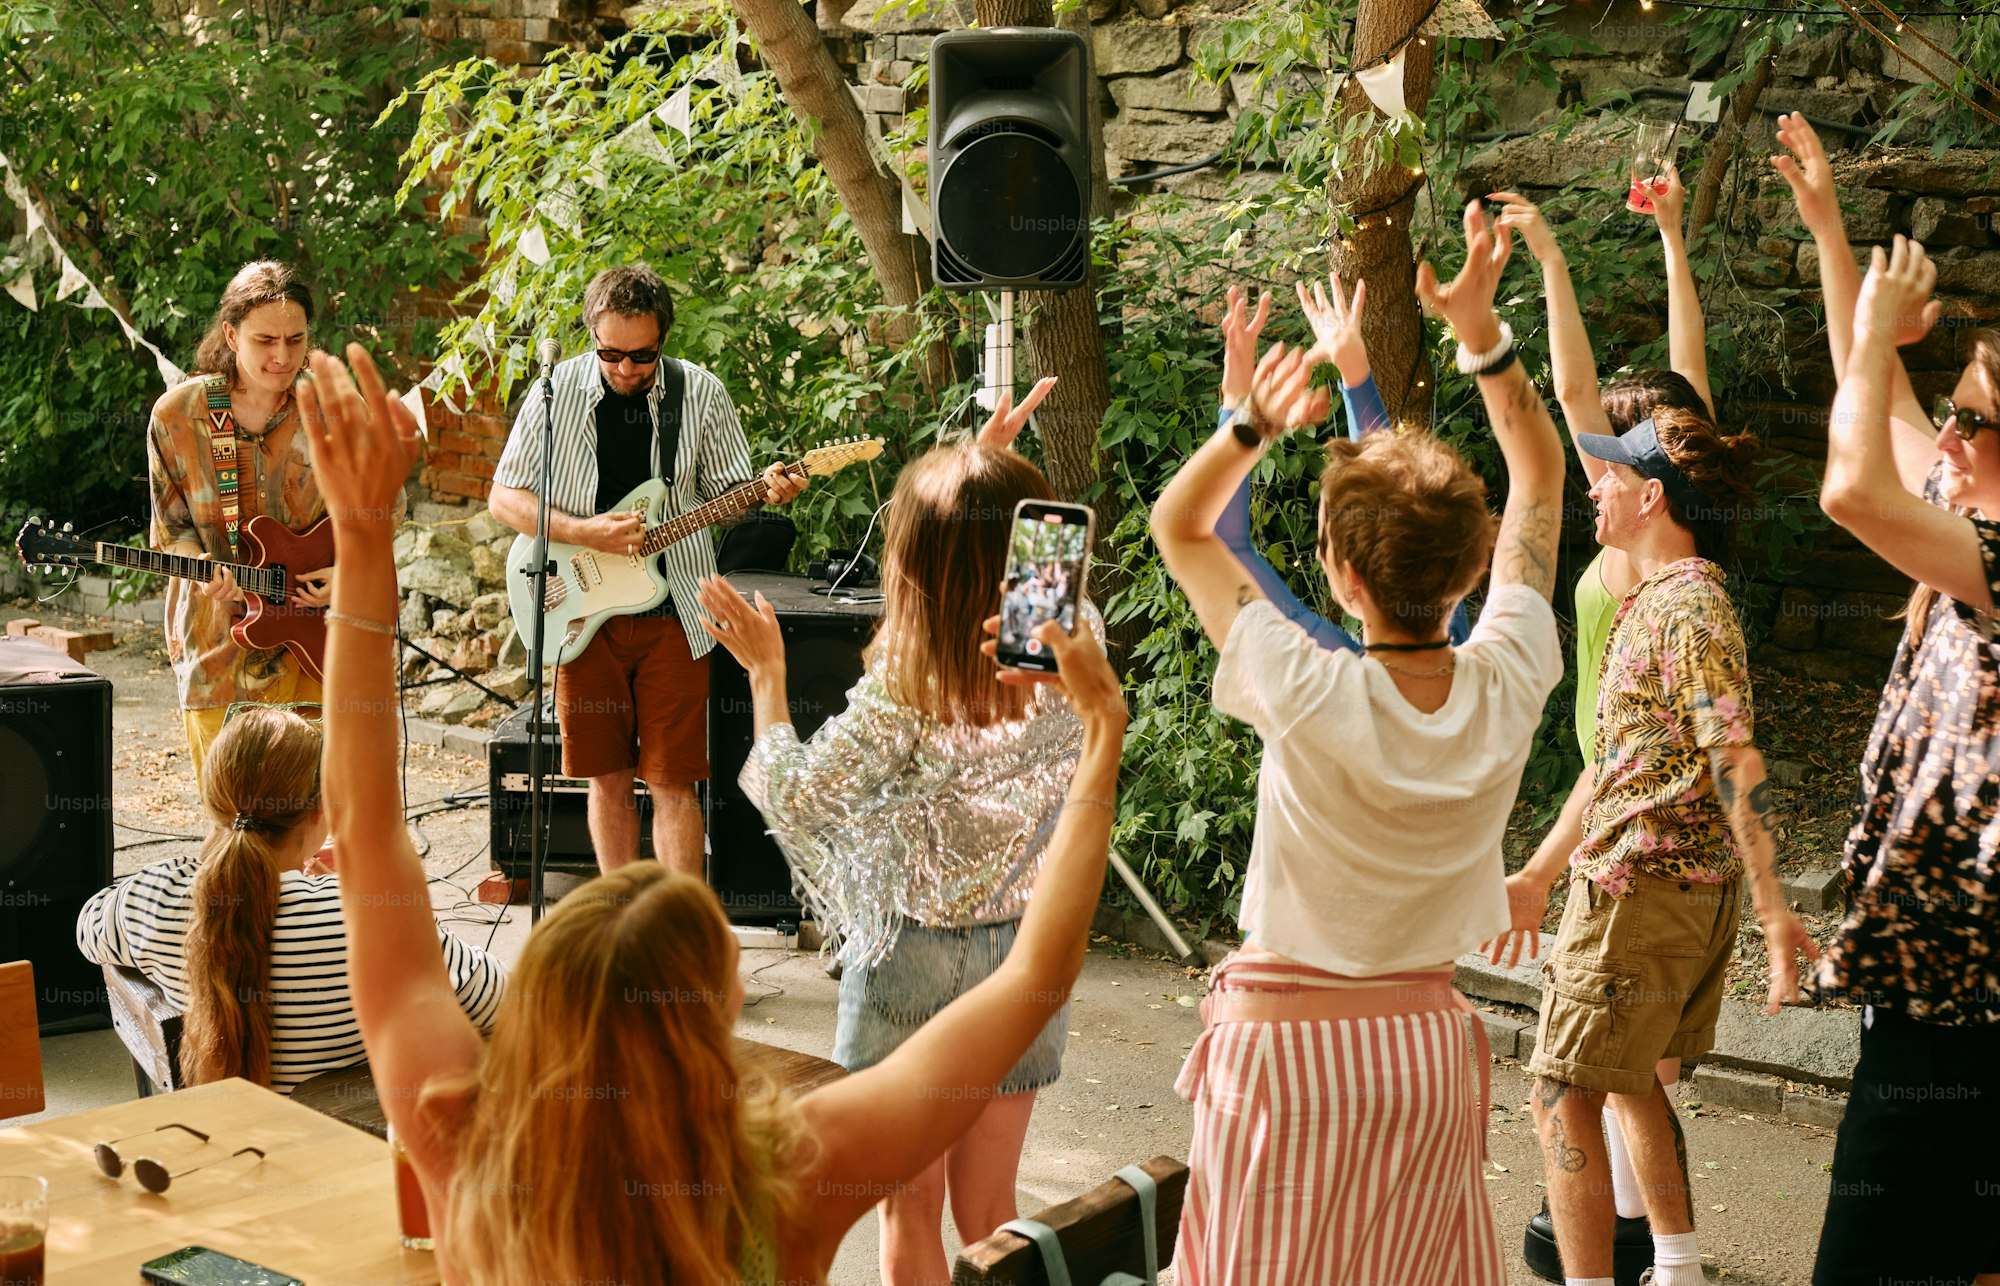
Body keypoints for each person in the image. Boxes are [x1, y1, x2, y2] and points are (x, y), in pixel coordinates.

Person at [297, 341, 1127, 1285]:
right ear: (725, 1010)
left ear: (535, 1018)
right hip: (993, 927)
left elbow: (364, 836)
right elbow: (1040, 971)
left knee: (923, 1220)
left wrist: (362, 535)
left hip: (911, 951)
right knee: (984, 1212)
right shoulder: (791, 1171)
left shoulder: (464, 1144)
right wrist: (1100, 728)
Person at [1152, 204, 1567, 1282]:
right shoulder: (1512, 665)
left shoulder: (1302, 681)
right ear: (1473, 570)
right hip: (1424, 1050)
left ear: (1336, 575)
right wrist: (1481, 333)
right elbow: (1541, 472)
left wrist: (1244, 424)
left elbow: (1179, 528)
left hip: (1282, 1050)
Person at [702, 379, 1093, 1286]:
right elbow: (1023, 565)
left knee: (905, 1206)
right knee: (992, 1214)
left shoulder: (903, 690)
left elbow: (798, 797)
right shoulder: (1070, 650)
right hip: (1027, 955)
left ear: (911, 564)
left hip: (912, 955)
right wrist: (990, 482)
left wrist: (768, 674)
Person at [1487, 172, 1731, 1284]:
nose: (1599, 443)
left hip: (1638, 811)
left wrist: (1563, 257)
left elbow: (1656, 381)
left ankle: (1635, 1249)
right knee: (1623, 1071)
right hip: (1616, 784)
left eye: (1621, 434)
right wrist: (1580, 253)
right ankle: (1640, 1246)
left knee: (1603, 1072)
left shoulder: (1653, 531)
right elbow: (1593, 385)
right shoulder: (1622, 512)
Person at [1798, 226, 2000, 1281]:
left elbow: (1846, 489)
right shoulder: (1959, 513)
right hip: (1925, 988)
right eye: (1955, 410)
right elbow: (1867, 402)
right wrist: (1835, 238)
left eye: (1976, 419)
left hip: (1963, 1012)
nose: (1951, 435)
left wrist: (1880, 331)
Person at [486, 263, 806, 876]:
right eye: (611, 354)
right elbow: (505, 498)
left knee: (673, 782)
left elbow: (729, 492)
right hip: (584, 616)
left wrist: (765, 491)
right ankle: (616, 918)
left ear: (664, 341)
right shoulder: (555, 392)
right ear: (590, 337)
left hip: (676, 614)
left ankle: (678, 932)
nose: (626, 369)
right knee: (605, 780)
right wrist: (584, 531)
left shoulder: (700, 393)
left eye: (643, 356)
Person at [74, 707, 505, 1093]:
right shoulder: (373, 916)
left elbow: (89, 926)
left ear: (212, 802)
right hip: (351, 1154)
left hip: (226, 1150)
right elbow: (502, 1001)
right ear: (322, 811)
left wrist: (210, 863)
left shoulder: (157, 898)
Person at [149, 261, 337, 780]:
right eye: (265, 340)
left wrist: (347, 574)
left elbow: (382, 509)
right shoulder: (177, 416)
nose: (282, 357)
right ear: (231, 335)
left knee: (309, 806)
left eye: (296, 340)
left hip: (315, 640)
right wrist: (202, 567)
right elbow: (171, 531)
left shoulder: (332, 406)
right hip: (216, 646)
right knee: (232, 808)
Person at [1214, 276, 1473, 651]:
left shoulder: (1343, 678)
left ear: (1351, 580)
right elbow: (1393, 490)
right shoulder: (1478, 659)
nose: (1319, 554)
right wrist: (1355, 374)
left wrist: (1238, 406)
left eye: (1325, 540)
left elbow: (1227, 546)